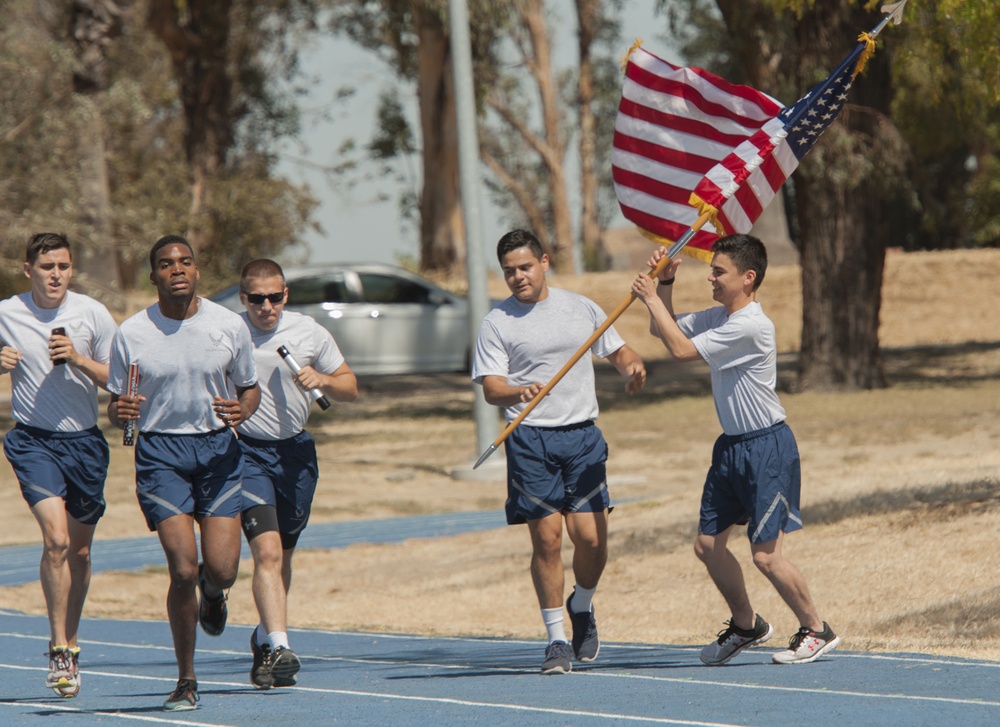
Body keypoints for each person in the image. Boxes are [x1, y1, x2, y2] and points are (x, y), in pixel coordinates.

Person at [631, 233, 840, 666]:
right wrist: (664, 286)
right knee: (708, 546)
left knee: (766, 556)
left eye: (718, 272)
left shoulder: (750, 325)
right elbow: (662, 329)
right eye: (710, 269)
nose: (710, 278)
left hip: (767, 448)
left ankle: (817, 629)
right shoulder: (721, 317)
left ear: (748, 278)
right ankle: (746, 625)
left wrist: (649, 295)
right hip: (731, 449)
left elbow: (681, 350)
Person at [472, 229, 646, 675]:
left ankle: (582, 605)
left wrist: (632, 368)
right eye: (509, 270)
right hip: (530, 439)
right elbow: (492, 389)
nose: (517, 277)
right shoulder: (497, 322)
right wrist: (517, 389)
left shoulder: (580, 307)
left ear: (544, 262)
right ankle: (555, 640)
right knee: (547, 541)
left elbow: (619, 350)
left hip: (582, 437)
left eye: (525, 267)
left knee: (591, 539)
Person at [107, 235, 260, 711]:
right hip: (161, 454)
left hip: (218, 452)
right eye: (167, 264)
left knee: (221, 569)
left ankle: (213, 596)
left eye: (186, 262)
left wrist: (241, 411)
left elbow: (249, 389)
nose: (178, 270)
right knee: (182, 568)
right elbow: (117, 405)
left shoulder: (228, 325)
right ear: (153, 275)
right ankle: (186, 679)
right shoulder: (132, 333)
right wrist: (121, 410)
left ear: (196, 271)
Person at [0, 232, 117, 698]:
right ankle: (58, 649)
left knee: (81, 553)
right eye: (47, 266)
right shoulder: (7, 312)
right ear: (28, 269)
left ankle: (72, 637)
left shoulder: (92, 314)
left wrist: (79, 359)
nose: (56, 275)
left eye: (64, 267)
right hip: (33, 442)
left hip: (85, 443)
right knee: (57, 541)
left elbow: (120, 379)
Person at [234, 259, 358, 689]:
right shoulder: (230, 333)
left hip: (296, 455)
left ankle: (264, 634)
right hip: (246, 453)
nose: (266, 306)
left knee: (282, 556)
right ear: (242, 298)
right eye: (256, 298)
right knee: (265, 554)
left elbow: (351, 387)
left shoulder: (309, 332)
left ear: (285, 295)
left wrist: (321, 377)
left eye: (275, 297)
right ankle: (281, 647)